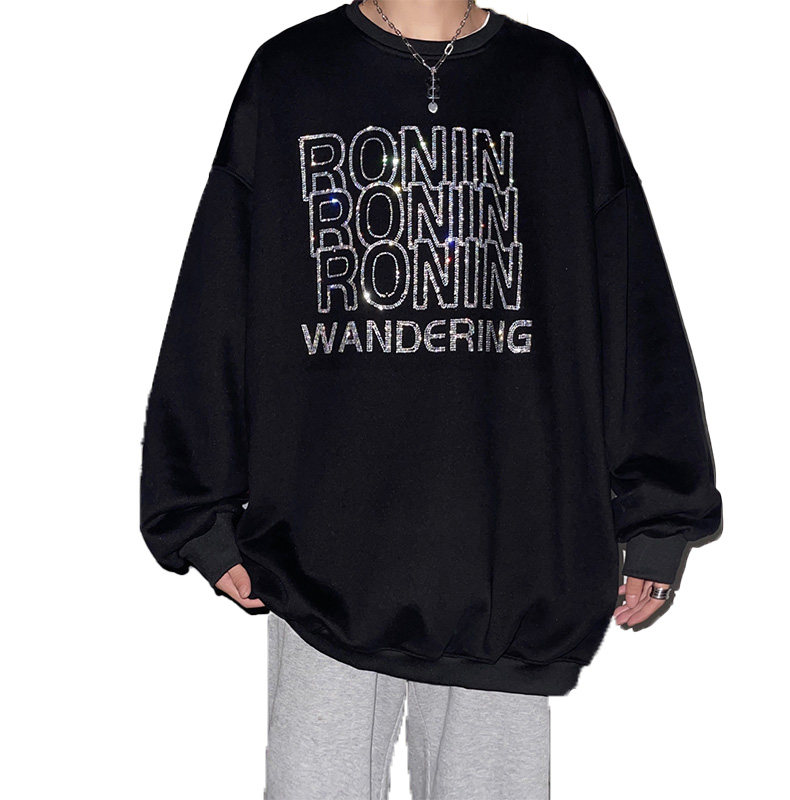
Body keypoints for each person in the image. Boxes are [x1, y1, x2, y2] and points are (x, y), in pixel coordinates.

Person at [139, 1, 723, 797]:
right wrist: (197, 512)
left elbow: (630, 302)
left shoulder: (550, 83)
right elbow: (220, 296)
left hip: (508, 561)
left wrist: (659, 516)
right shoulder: (293, 75)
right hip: (319, 555)